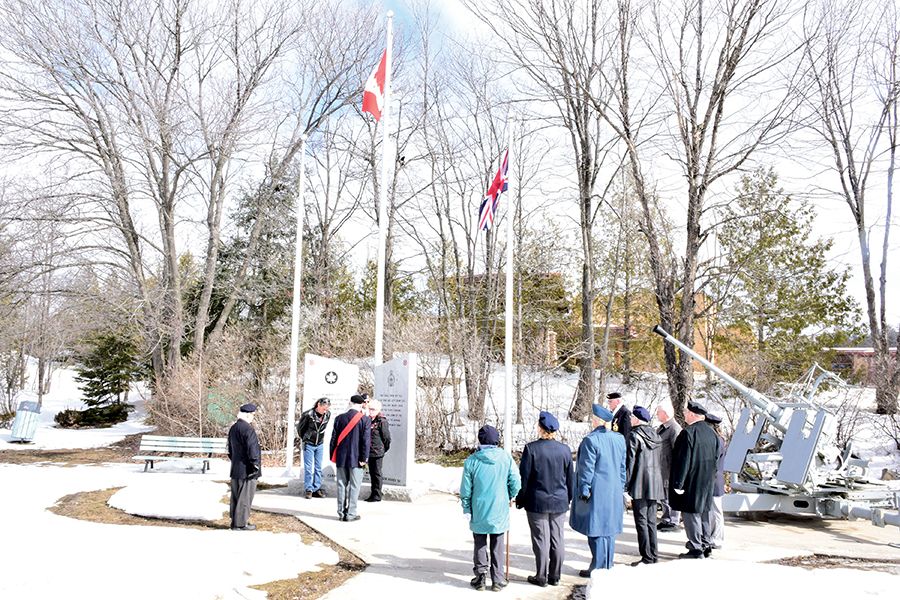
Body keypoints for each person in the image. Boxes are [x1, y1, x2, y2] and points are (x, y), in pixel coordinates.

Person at [515, 411, 574, 587]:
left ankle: (541, 576)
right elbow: (570, 478)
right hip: (559, 501)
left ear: (540, 429)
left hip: (537, 501)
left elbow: (524, 477)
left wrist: (521, 498)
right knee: (557, 538)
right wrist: (568, 497)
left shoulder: (531, 448)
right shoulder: (565, 450)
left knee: (541, 539)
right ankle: (555, 575)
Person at [460, 425, 521, 592]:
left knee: (479, 542)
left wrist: (466, 507)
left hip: (479, 507)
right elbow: (516, 481)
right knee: (497, 543)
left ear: (480, 440)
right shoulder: (505, 458)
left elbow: (466, 489)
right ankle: (497, 579)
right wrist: (509, 495)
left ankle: (480, 578)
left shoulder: (472, 461)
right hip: (499, 506)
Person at [570, 404, 627, 576]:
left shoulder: (591, 440)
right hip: (614, 489)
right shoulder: (619, 439)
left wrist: (584, 489)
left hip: (597, 490)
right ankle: (607, 564)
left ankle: (598, 566)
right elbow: (623, 467)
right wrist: (621, 485)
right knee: (609, 529)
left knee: (595, 529)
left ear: (597, 421)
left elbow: (587, 468)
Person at [669, 400, 721, 559]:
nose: (684, 414)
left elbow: (682, 460)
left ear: (692, 414)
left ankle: (696, 548)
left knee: (691, 513)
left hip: (691, 481)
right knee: (705, 512)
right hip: (707, 480)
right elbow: (717, 457)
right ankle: (706, 544)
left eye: (686, 412)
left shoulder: (688, 433)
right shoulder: (712, 433)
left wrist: (678, 482)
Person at [626, 405, 664, 565]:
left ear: (636, 419)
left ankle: (647, 556)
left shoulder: (634, 436)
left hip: (640, 484)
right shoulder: (656, 435)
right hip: (655, 483)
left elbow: (630, 463)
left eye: (631, 417)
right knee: (651, 521)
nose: (629, 419)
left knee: (641, 521)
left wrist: (625, 484)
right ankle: (653, 554)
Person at [330, 394, 371, 522]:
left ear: (350, 403)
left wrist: (333, 455)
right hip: (357, 459)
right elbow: (365, 441)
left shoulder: (339, 418)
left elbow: (333, 440)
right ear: (361, 405)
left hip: (341, 458)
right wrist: (364, 458)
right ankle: (351, 514)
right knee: (355, 486)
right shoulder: (365, 420)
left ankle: (341, 513)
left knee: (341, 485)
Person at [227, 403, 262, 531]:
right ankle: (241, 523)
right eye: (253, 415)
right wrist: (255, 465)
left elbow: (229, 449)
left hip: (236, 468)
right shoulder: (248, 429)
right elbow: (253, 449)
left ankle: (234, 521)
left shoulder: (234, 428)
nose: (253, 417)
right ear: (247, 415)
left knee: (236, 497)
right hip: (247, 469)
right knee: (245, 498)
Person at [656, 400, 683, 531]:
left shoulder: (674, 429)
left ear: (665, 413)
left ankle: (674, 520)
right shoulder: (662, 427)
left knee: (670, 495)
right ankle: (666, 518)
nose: (656, 414)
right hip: (661, 468)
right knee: (664, 496)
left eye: (658, 412)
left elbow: (678, 452)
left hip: (669, 469)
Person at [297, 397, 331, 499]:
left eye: (327, 409)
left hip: (319, 443)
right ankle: (309, 489)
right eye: (324, 408)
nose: (325, 411)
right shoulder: (308, 415)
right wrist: (306, 438)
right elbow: (300, 429)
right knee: (308, 468)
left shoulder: (327, 415)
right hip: (309, 443)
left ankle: (317, 488)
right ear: (318, 405)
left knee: (318, 467)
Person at [704, 412, 727, 549]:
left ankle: (717, 538)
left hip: (714, 478)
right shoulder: (719, 438)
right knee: (713, 511)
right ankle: (713, 536)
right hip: (715, 478)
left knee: (716, 511)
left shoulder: (717, 440)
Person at [365, 398, 391, 502]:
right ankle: (373, 493)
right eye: (370, 409)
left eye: (373, 409)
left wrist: (383, 449)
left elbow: (387, 438)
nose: (371, 411)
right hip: (369, 451)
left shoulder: (382, 421)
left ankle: (377, 495)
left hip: (377, 451)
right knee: (371, 473)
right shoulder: (367, 419)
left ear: (378, 410)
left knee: (376, 473)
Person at [607, 392, 634, 470]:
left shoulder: (625, 413)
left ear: (618, 401)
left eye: (610, 401)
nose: (609, 404)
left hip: (619, 450)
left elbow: (626, 434)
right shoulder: (613, 413)